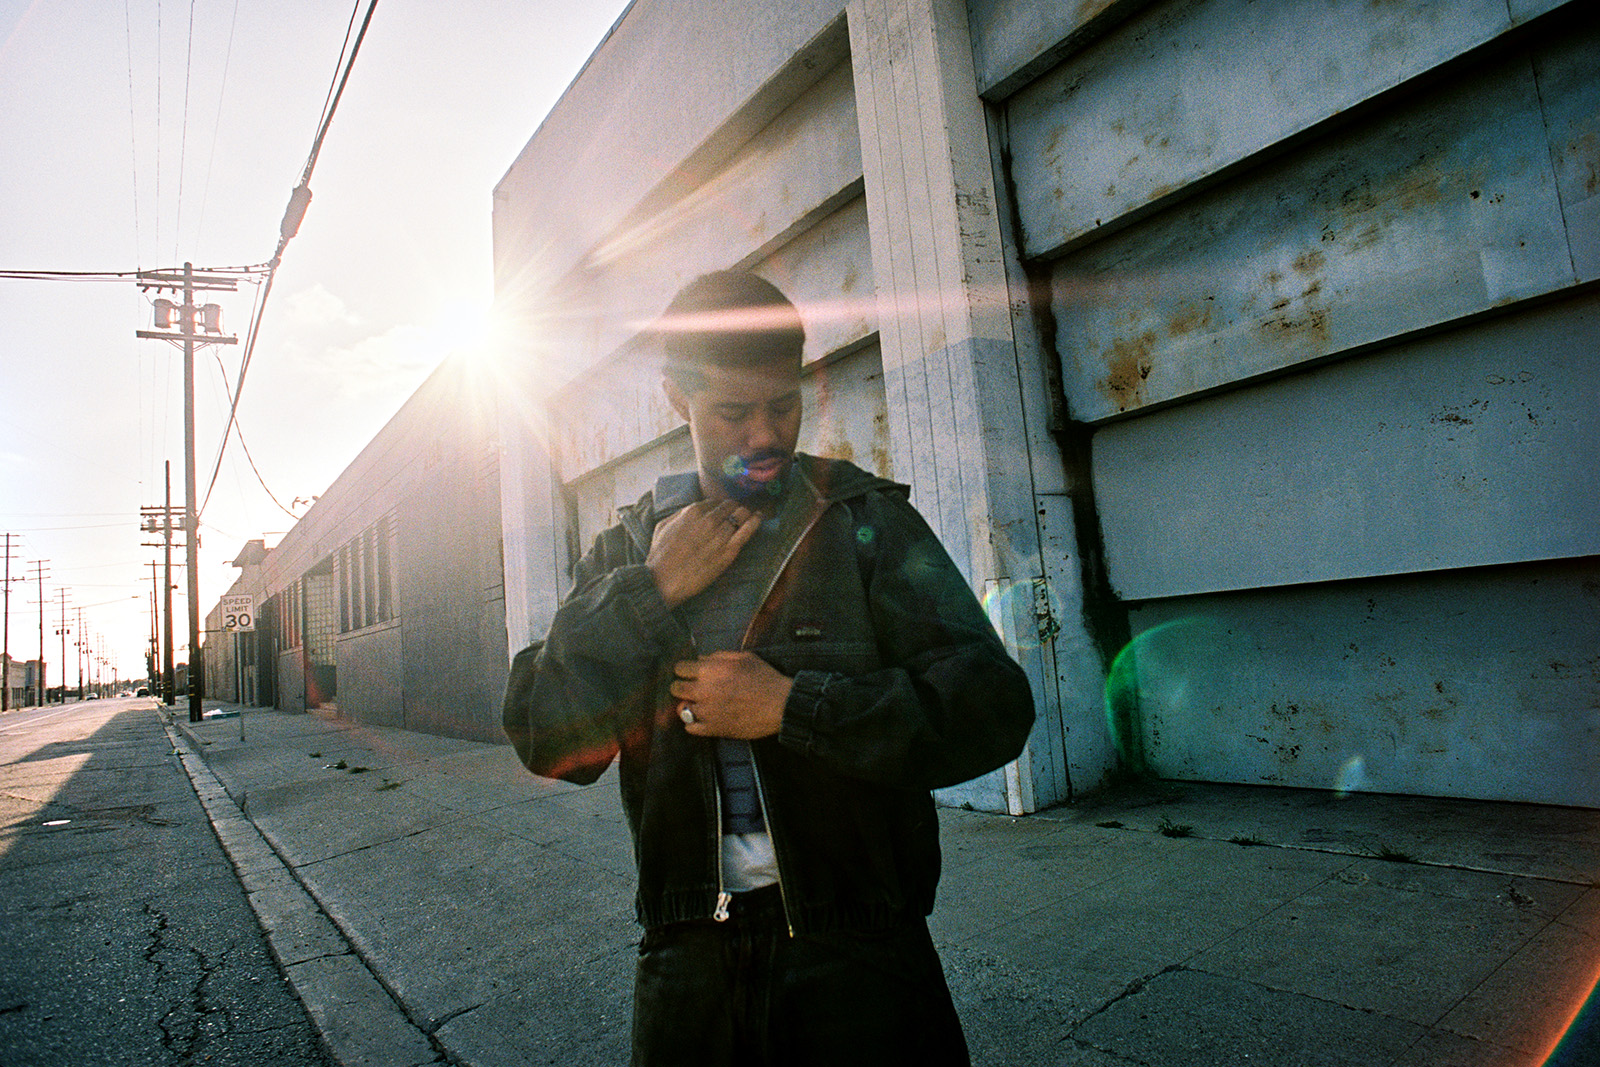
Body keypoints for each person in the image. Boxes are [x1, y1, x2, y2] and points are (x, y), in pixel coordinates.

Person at [502, 270, 1035, 1066]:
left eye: (781, 406)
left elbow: (994, 703)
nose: (763, 435)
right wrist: (648, 593)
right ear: (676, 398)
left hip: (860, 950)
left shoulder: (864, 520)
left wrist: (794, 706)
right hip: (688, 960)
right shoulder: (624, 552)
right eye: (733, 412)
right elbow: (545, 736)